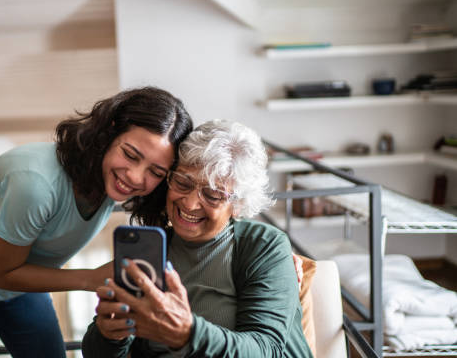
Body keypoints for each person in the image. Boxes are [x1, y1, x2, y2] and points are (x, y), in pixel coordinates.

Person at [0, 86, 193, 358]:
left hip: (20, 278)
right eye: (131, 155)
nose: (135, 177)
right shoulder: (36, 184)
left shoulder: (108, 179)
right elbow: (2, 274)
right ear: (109, 131)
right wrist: (91, 278)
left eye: (155, 171)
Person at [82, 119, 313, 357]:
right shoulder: (152, 248)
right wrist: (109, 335)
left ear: (238, 204)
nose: (190, 203)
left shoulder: (263, 246)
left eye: (213, 195)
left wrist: (188, 333)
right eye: (183, 182)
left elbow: (266, 349)